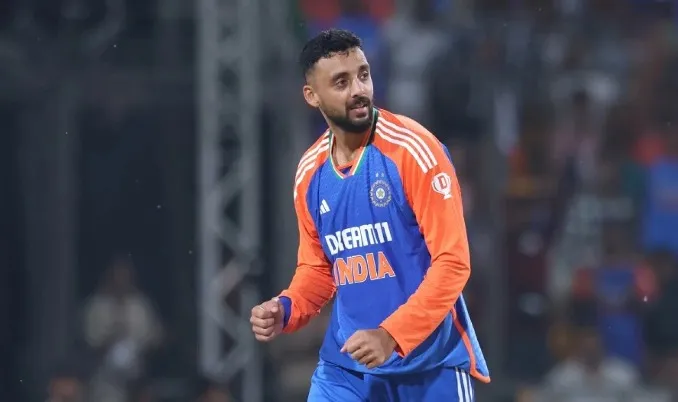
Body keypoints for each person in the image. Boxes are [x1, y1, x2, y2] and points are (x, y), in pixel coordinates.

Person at [249, 29, 489, 401]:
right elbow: (318, 269)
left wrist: (391, 335)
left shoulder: (414, 151)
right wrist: (287, 307)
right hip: (347, 371)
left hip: (427, 367)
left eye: (363, 75)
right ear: (312, 96)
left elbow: (453, 263)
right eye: (341, 82)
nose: (358, 90)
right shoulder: (310, 172)